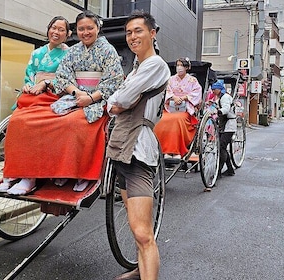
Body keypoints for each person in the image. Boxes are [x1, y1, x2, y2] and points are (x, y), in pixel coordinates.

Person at [0, 11, 124, 195]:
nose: (85, 32)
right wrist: (77, 92)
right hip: (73, 96)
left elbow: (114, 80)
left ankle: (81, 173)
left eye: (90, 28)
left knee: (75, 123)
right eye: (81, 29)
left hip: (98, 98)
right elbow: (63, 76)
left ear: (98, 28)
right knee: (50, 122)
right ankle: (51, 171)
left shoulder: (107, 50)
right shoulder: (73, 51)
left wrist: (90, 97)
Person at [106, 10, 170, 280]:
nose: (133, 37)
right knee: (135, 226)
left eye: (138, 31)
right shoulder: (136, 67)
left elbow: (122, 97)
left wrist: (118, 102)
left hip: (139, 152)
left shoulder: (155, 65)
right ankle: (138, 269)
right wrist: (117, 103)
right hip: (122, 148)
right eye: (129, 32)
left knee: (144, 233)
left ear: (152, 33)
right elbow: (115, 103)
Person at [0, 16, 71, 193]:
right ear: (48, 29)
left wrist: (45, 84)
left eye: (61, 29)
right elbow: (29, 74)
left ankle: (31, 177)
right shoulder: (37, 53)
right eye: (53, 28)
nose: (56, 32)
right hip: (34, 94)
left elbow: (66, 79)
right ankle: (11, 172)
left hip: (54, 95)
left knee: (34, 126)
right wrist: (28, 84)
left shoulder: (70, 55)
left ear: (67, 34)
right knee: (16, 123)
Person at [153, 57, 202, 160]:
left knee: (177, 120)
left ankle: (175, 150)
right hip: (171, 107)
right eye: (178, 65)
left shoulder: (193, 80)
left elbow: (196, 93)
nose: (179, 68)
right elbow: (166, 91)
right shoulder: (170, 79)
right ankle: (161, 149)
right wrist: (173, 97)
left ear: (187, 67)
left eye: (182, 65)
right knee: (161, 120)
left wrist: (184, 97)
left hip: (185, 108)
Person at [211, 80, 237, 186]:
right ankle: (230, 169)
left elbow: (226, 109)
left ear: (219, 89)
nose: (213, 91)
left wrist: (218, 111)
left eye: (214, 89)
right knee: (223, 147)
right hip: (224, 125)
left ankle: (218, 171)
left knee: (221, 147)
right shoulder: (220, 97)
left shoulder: (225, 97)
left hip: (229, 126)